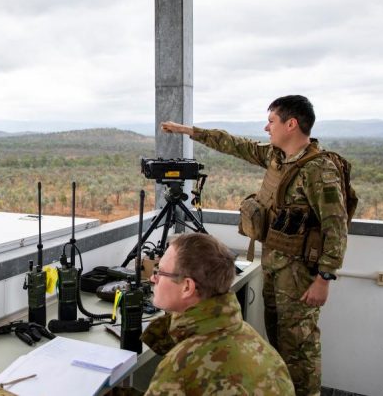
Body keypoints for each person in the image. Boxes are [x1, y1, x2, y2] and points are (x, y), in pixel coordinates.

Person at [161, 95, 349, 396]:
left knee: (300, 348)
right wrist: (188, 131)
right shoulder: (277, 157)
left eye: (271, 121)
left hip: (299, 274)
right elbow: (233, 144)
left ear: (292, 124)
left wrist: (324, 278)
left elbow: (336, 227)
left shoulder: (319, 169)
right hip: (274, 265)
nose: (266, 127)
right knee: (277, 339)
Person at [142, 232, 294, 395]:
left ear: (187, 287)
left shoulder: (181, 367)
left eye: (160, 272)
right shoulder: (257, 344)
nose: (152, 278)